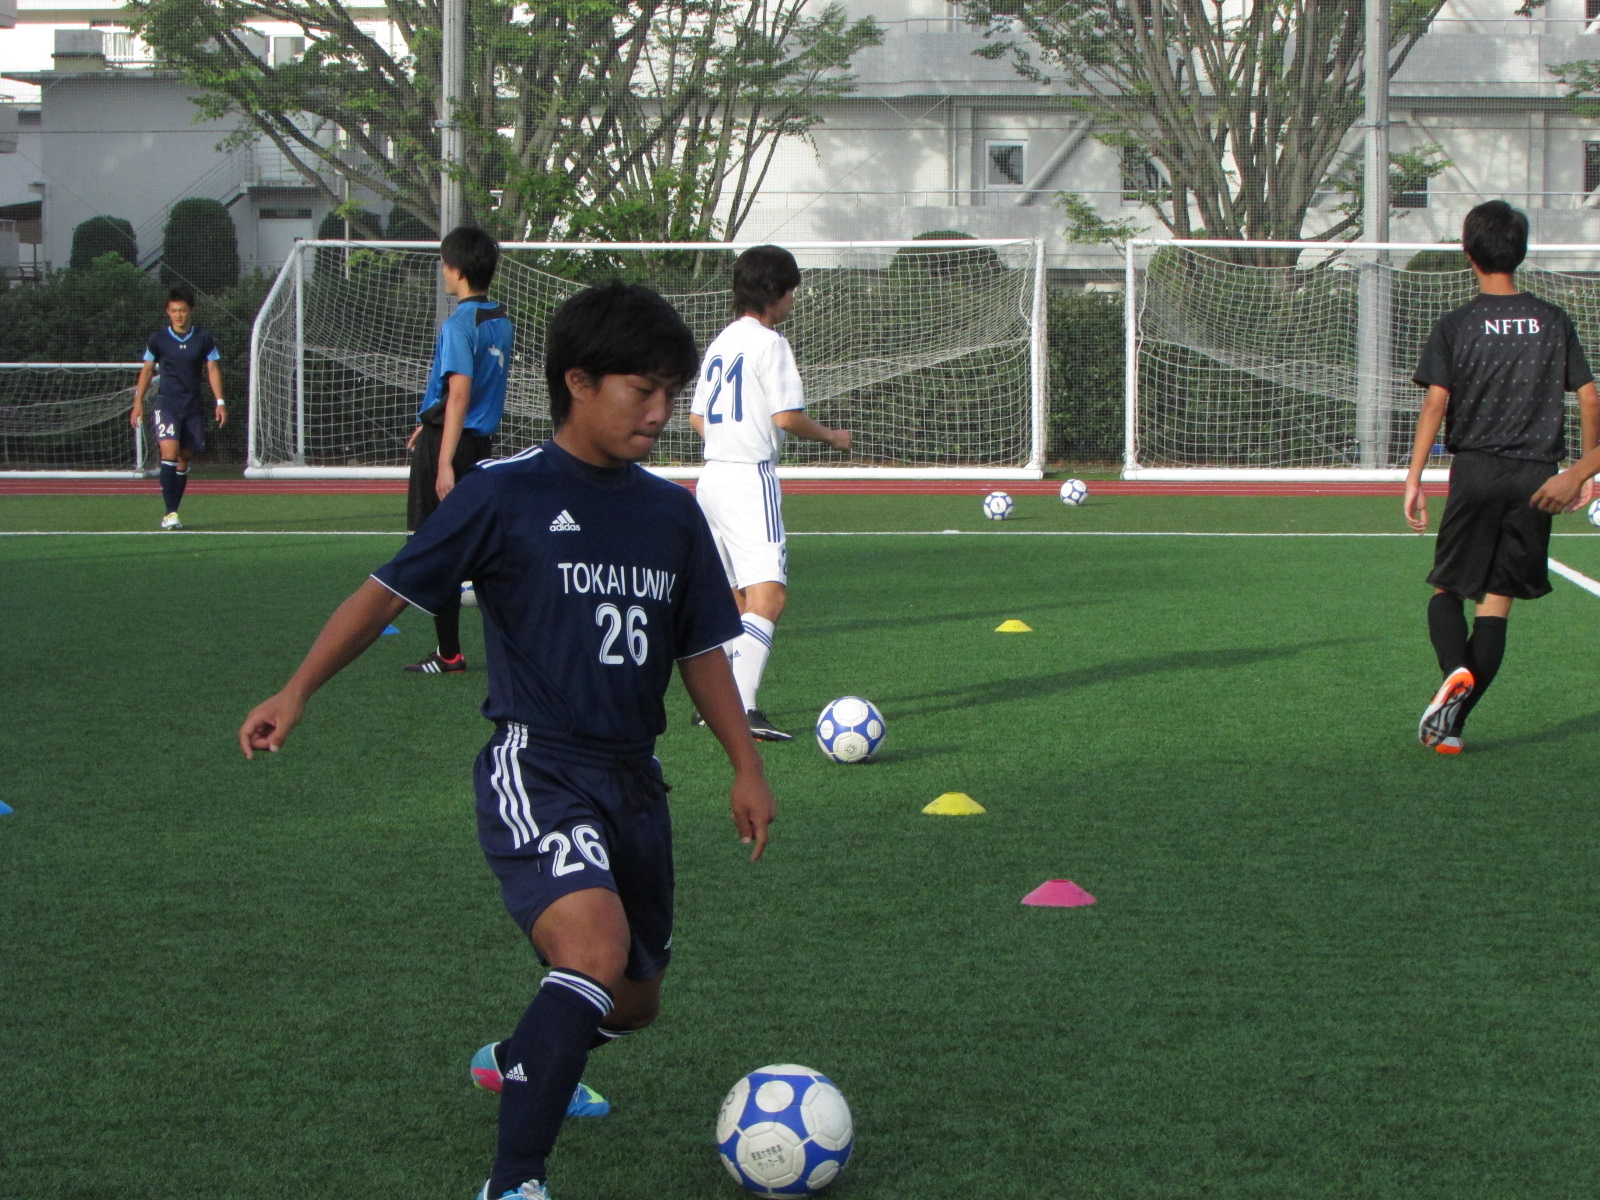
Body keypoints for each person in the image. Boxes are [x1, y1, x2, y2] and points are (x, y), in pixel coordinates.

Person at [238, 282, 777, 1200]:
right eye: (641, 390)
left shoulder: (672, 513)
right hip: (538, 765)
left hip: (634, 779)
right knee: (593, 954)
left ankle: (522, 1056)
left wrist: (746, 764)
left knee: (633, 1002)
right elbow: (387, 591)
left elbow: (700, 651)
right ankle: (514, 1180)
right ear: (578, 382)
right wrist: (297, 691)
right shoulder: (505, 493)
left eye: (670, 392)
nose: (661, 412)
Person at [1404, 199, 1600, 753]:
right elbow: (1589, 397)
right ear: (1523, 252)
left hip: (1477, 470)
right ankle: (1450, 728)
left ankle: (1452, 673)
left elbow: (1436, 403)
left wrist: (1414, 477)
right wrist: (1585, 472)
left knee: (1447, 590)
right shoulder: (1553, 320)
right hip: (1537, 477)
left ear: (1468, 252)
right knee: (1497, 603)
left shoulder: (1457, 323)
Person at [688, 244, 851, 741]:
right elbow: (785, 417)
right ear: (777, 292)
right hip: (748, 477)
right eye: (793, 290)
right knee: (770, 596)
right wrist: (831, 436)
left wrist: (727, 440)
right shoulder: (770, 343)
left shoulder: (722, 342)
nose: (795, 298)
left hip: (711, 477)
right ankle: (741, 708)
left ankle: (715, 705)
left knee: (737, 602)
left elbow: (696, 416)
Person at [401, 225, 515, 675]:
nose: (443, 272)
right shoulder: (501, 319)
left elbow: (461, 394)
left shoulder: (458, 324)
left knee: (433, 544)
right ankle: (509, 647)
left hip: (450, 443)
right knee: (481, 543)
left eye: (445, 265)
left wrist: (443, 458)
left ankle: (449, 654)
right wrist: (427, 421)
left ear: (457, 270)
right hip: (478, 443)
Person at [128, 285, 225, 530]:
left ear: (190, 311)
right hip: (167, 405)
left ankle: (173, 511)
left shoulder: (203, 338)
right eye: (174, 311)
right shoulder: (158, 339)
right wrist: (138, 402)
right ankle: (170, 513)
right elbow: (147, 370)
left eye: (182, 310)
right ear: (167, 312)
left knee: (183, 459)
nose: (178, 315)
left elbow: (213, 369)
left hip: (193, 406)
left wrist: (220, 402)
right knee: (169, 453)